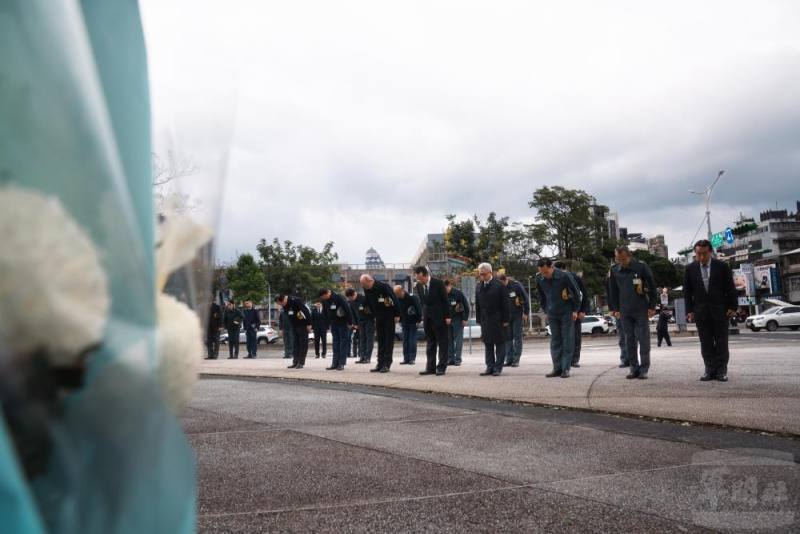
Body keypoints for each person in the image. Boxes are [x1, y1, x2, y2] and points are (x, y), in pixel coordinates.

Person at [683, 239, 738, 382]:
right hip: (701, 311)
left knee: (721, 342)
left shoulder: (722, 266)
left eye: (704, 254)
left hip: (720, 310)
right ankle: (709, 370)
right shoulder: (690, 269)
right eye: (698, 254)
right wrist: (689, 310)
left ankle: (721, 371)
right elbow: (687, 292)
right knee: (705, 342)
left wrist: (732, 307)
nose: (701, 257)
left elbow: (730, 288)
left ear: (710, 252)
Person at [608, 245, 658, 379]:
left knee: (643, 340)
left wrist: (652, 306)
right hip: (624, 311)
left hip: (641, 309)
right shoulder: (614, 270)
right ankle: (633, 368)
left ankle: (644, 369)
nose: (621, 262)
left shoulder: (641, 267)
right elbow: (613, 291)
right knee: (628, 340)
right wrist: (615, 309)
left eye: (623, 259)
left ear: (629, 256)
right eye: (618, 259)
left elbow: (652, 287)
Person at [536, 258, 581, 378]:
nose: (544, 275)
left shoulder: (564, 276)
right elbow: (541, 297)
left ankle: (565, 368)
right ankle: (557, 368)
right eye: (541, 272)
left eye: (546, 272)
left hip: (566, 312)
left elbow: (577, 293)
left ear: (552, 267)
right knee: (555, 341)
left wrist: (575, 310)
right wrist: (546, 310)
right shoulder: (539, 279)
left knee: (567, 340)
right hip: (552, 313)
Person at [414, 266, 451, 376]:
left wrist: (447, 316)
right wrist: (422, 316)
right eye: (417, 278)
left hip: (440, 317)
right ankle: (430, 367)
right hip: (427, 319)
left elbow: (445, 301)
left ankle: (441, 367)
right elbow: (423, 303)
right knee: (430, 343)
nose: (419, 280)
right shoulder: (419, 286)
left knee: (443, 342)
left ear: (425, 275)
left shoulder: (438, 283)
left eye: (420, 278)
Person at [475, 263, 510, 376]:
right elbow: (478, 305)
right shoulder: (479, 286)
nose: (482, 277)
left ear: (490, 272)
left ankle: (498, 368)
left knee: (499, 343)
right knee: (488, 343)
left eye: (484, 274)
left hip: (498, 319)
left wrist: (505, 319)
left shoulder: (499, 285)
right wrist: (479, 319)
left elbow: (505, 304)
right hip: (485, 319)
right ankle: (489, 366)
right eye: (480, 274)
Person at [360, 274, 400, 373]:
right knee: (380, 340)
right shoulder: (367, 289)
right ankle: (380, 363)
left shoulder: (383, 286)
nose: (363, 287)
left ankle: (387, 363)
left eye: (364, 284)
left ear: (370, 281)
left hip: (389, 315)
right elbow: (368, 302)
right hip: (378, 317)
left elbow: (394, 299)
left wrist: (397, 314)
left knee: (388, 340)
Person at [554, 262, 589, 368]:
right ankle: (563, 360)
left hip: (575, 311)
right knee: (561, 337)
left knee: (576, 336)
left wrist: (582, 310)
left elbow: (583, 294)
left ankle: (574, 360)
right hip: (560, 311)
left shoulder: (574, 277)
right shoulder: (553, 278)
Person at [496, 274, 528, 367]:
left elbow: (525, 298)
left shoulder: (516, 285)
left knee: (517, 337)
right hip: (506, 317)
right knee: (507, 338)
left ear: (505, 280)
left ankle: (516, 359)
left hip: (517, 315)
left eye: (502, 283)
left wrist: (526, 312)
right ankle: (509, 359)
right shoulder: (500, 288)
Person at [319, 288, 355, 370]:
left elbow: (347, 309)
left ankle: (341, 363)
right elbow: (324, 313)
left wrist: (350, 322)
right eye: (322, 298)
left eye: (324, 296)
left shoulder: (338, 297)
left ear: (327, 293)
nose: (324, 298)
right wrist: (326, 324)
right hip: (333, 324)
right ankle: (334, 363)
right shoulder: (325, 300)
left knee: (343, 343)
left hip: (342, 323)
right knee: (335, 343)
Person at [275, 294, 312, 369]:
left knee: (303, 344)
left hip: (303, 324)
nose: (281, 305)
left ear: (283, 300)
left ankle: (301, 362)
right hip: (294, 325)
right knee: (295, 344)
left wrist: (309, 324)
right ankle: (295, 362)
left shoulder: (296, 300)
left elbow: (306, 311)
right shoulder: (285, 304)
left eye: (280, 303)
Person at [346, 288, 375, 364]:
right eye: (349, 298)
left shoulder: (364, 299)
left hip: (369, 320)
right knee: (362, 340)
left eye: (351, 297)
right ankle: (362, 357)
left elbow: (372, 309)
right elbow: (353, 313)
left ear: (355, 294)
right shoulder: (351, 302)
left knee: (369, 339)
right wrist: (355, 323)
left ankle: (367, 357)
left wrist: (371, 317)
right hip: (360, 323)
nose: (351, 299)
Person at [394, 285, 422, 364]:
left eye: (398, 293)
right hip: (404, 321)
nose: (397, 295)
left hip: (413, 321)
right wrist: (398, 317)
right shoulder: (398, 299)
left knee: (412, 340)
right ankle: (406, 358)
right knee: (405, 340)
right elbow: (398, 309)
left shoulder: (412, 297)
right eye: (396, 294)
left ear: (402, 290)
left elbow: (418, 308)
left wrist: (419, 320)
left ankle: (412, 358)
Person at [445, 280, 470, 366]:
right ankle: (450, 359)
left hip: (458, 319)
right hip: (447, 321)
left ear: (449, 285)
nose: (445, 290)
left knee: (458, 340)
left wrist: (465, 319)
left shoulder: (458, 293)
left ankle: (458, 359)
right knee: (449, 341)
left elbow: (466, 306)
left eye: (446, 288)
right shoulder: (443, 294)